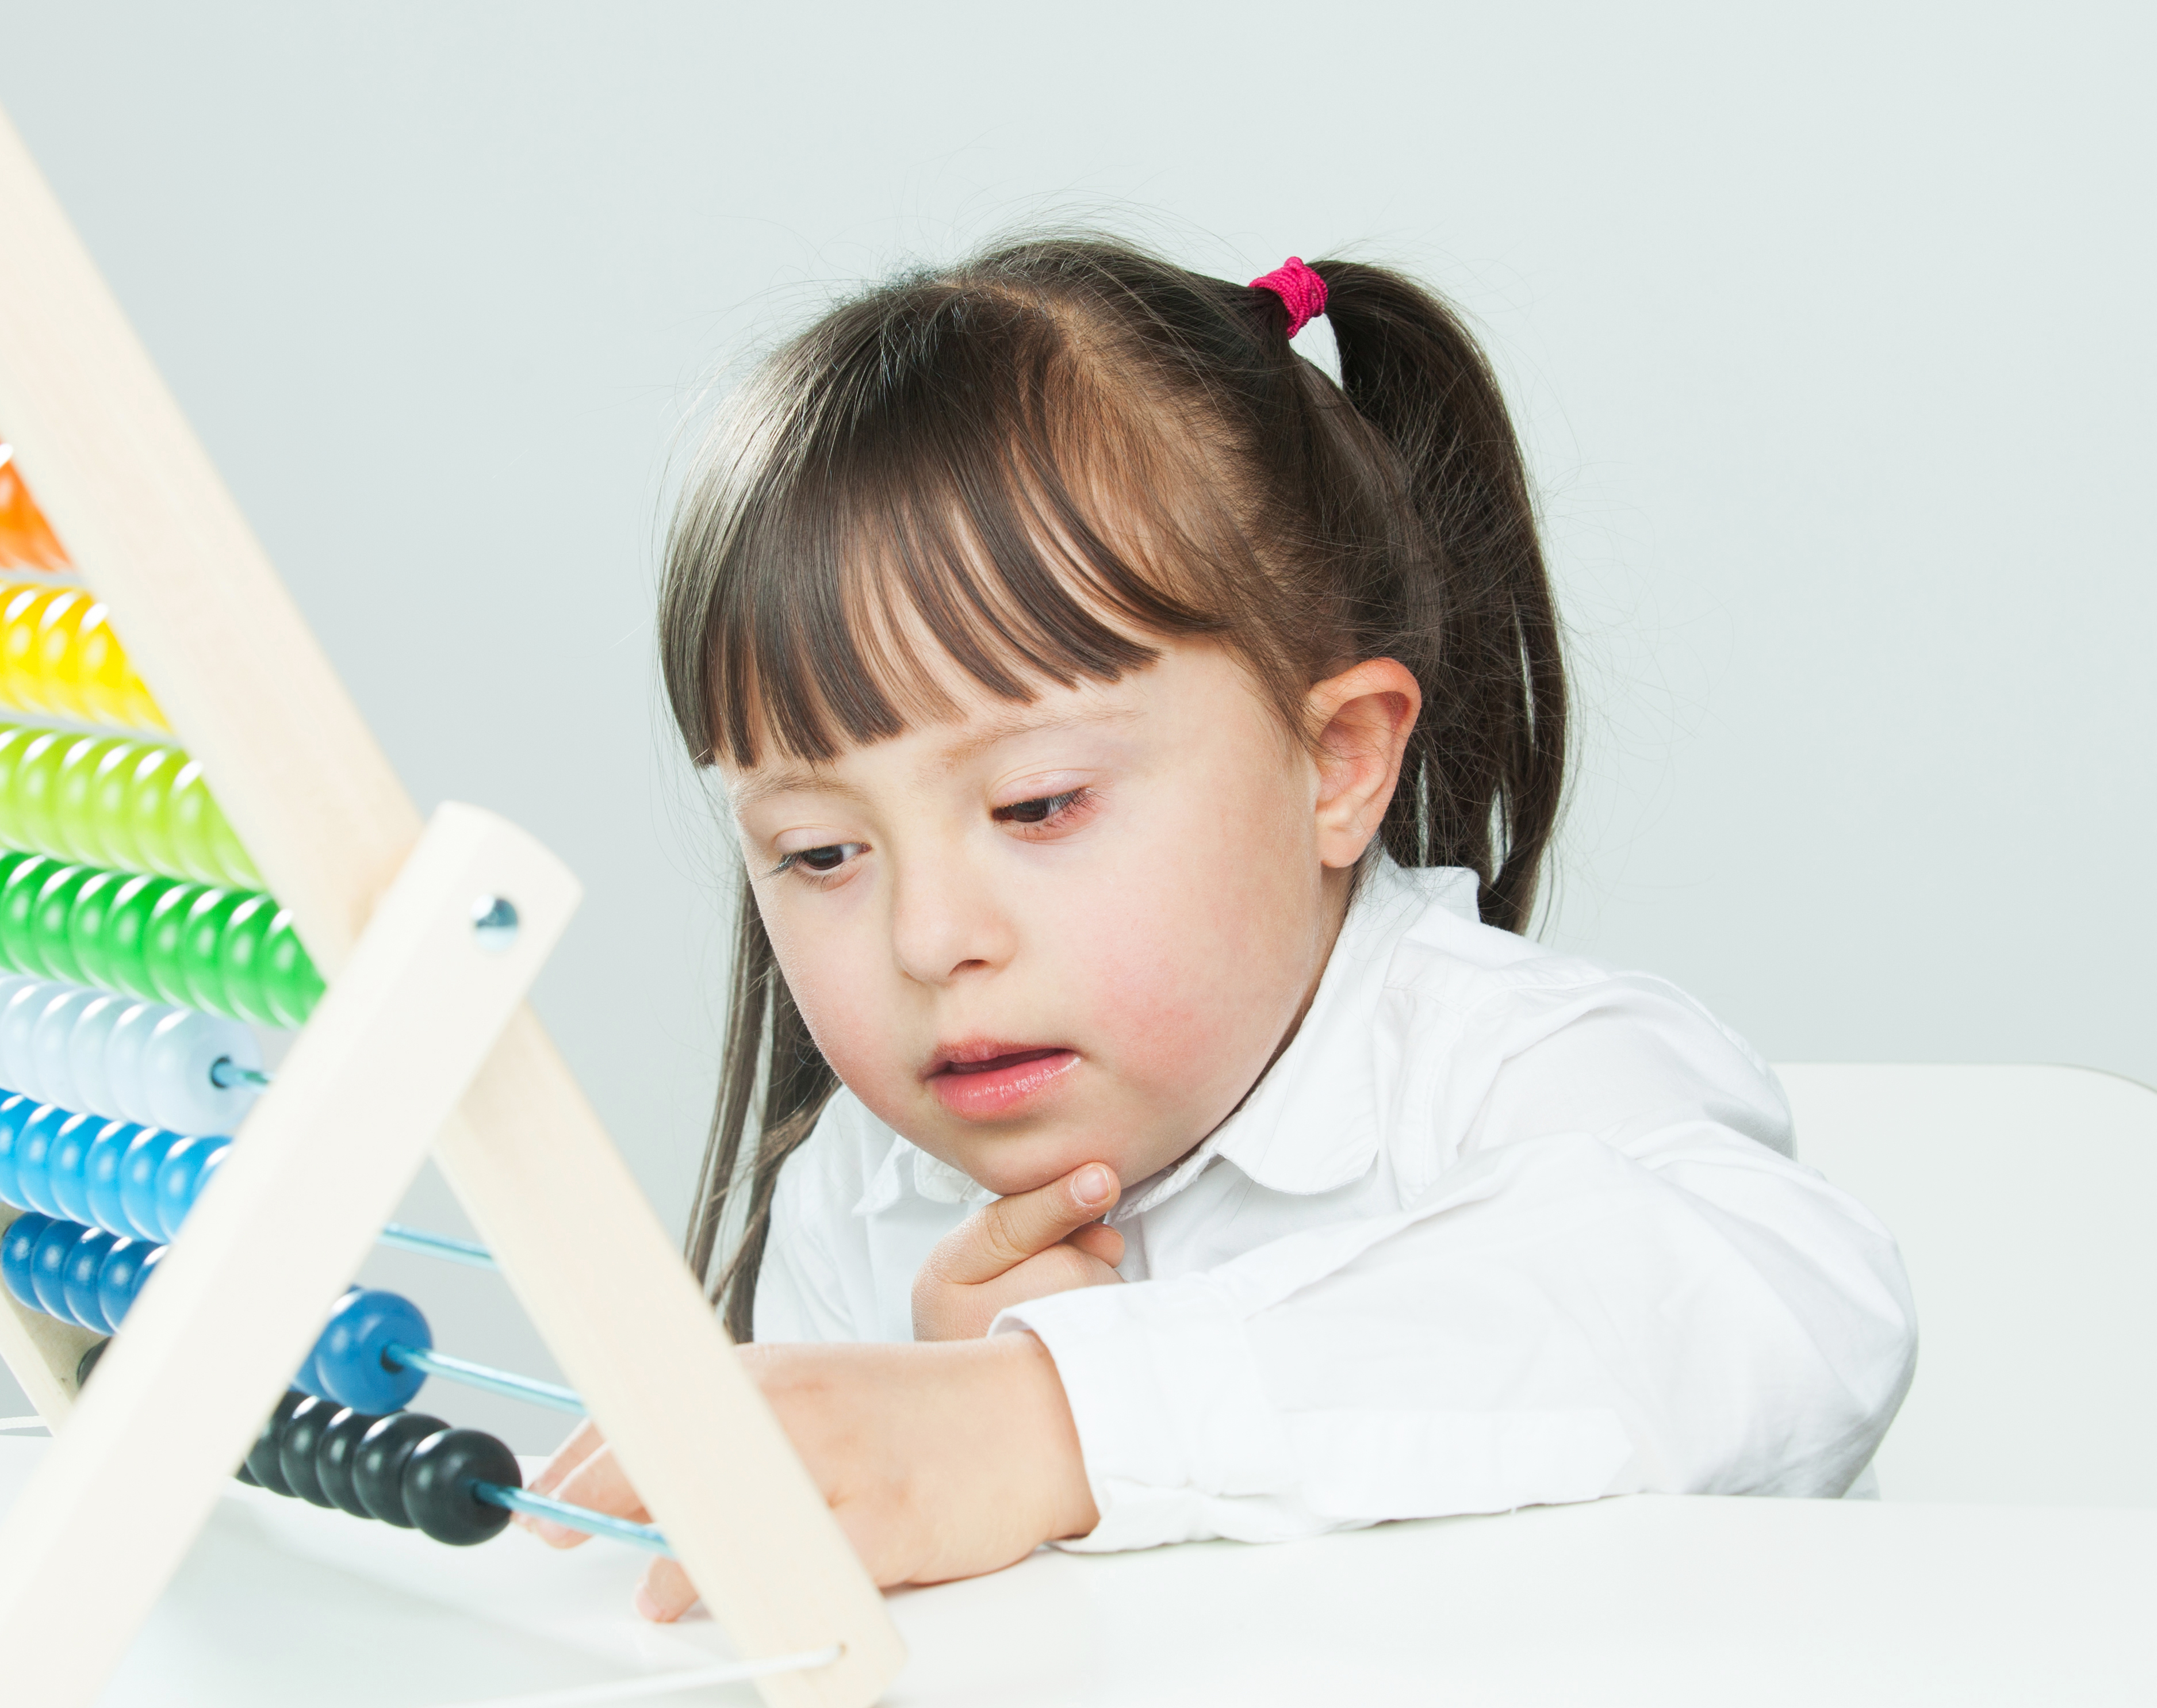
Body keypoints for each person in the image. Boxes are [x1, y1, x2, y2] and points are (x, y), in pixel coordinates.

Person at [524, 236, 1917, 1620]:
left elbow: (1774, 1314)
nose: (928, 937)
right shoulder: (865, 1191)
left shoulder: (1520, 1072)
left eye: (1039, 804)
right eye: (819, 851)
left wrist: (1047, 1418)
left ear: (1336, 764)